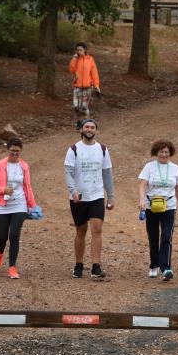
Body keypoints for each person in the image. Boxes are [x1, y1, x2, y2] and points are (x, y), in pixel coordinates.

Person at [64, 118, 114, 279]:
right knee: (81, 231)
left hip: (97, 196)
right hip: (78, 197)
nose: (89, 129)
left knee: (97, 229)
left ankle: (96, 266)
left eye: (92, 127)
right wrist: (73, 191)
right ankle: (78, 265)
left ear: (96, 130)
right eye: (87, 126)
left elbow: (107, 174)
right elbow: (68, 172)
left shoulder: (103, 149)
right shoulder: (73, 149)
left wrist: (110, 196)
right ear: (82, 129)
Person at [0, 137, 37, 279]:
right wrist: (3, 189)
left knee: (14, 235)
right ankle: (0, 253)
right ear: (7, 150)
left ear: (21, 151)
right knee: (1, 237)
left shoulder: (24, 166)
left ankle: (12, 267)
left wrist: (33, 206)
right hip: (2, 205)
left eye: (17, 151)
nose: (15, 154)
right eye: (12, 151)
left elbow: (28, 187)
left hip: (19, 205)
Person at [138, 140, 178, 281]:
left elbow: (177, 188)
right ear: (156, 152)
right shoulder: (149, 166)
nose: (164, 154)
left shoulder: (175, 168)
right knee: (153, 236)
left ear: (170, 153)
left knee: (166, 236)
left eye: (166, 151)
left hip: (169, 206)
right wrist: (141, 200)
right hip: (151, 206)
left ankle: (165, 268)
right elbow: (143, 184)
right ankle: (154, 265)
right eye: (161, 151)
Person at [68, 42, 100, 130]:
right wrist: (74, 59)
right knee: (76, 106)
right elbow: (71, 70)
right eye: (77, 50)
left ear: (84, 50)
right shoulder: (75, 59)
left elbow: (94, 73)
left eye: (80, 50)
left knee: (84, 107)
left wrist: (96, 85)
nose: (79, 51)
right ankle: (79, 121)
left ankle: (86, 124)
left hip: (87, 87)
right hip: (77, 86)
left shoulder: (90, 59)